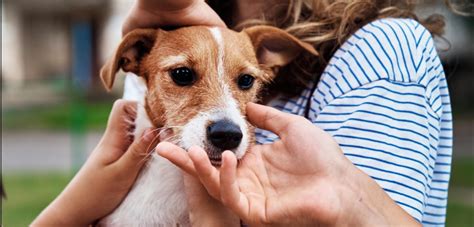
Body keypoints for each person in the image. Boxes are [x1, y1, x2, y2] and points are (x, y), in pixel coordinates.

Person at [33, 0, 453, 226]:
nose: (225, 117)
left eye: (246, 81)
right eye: (183, 75)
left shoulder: (384, 52)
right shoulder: (171, 33)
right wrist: (75, 207)